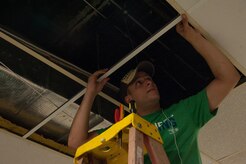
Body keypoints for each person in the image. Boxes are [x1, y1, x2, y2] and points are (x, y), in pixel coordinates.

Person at [68, 14, 240, 163]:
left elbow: (229, 78)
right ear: (129, 99)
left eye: (148, 79)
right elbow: (76, 144)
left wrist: (192, 37)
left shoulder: (184, 112)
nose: (148, 82)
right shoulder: (125, 133)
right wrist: (90, 93)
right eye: (139, 83)